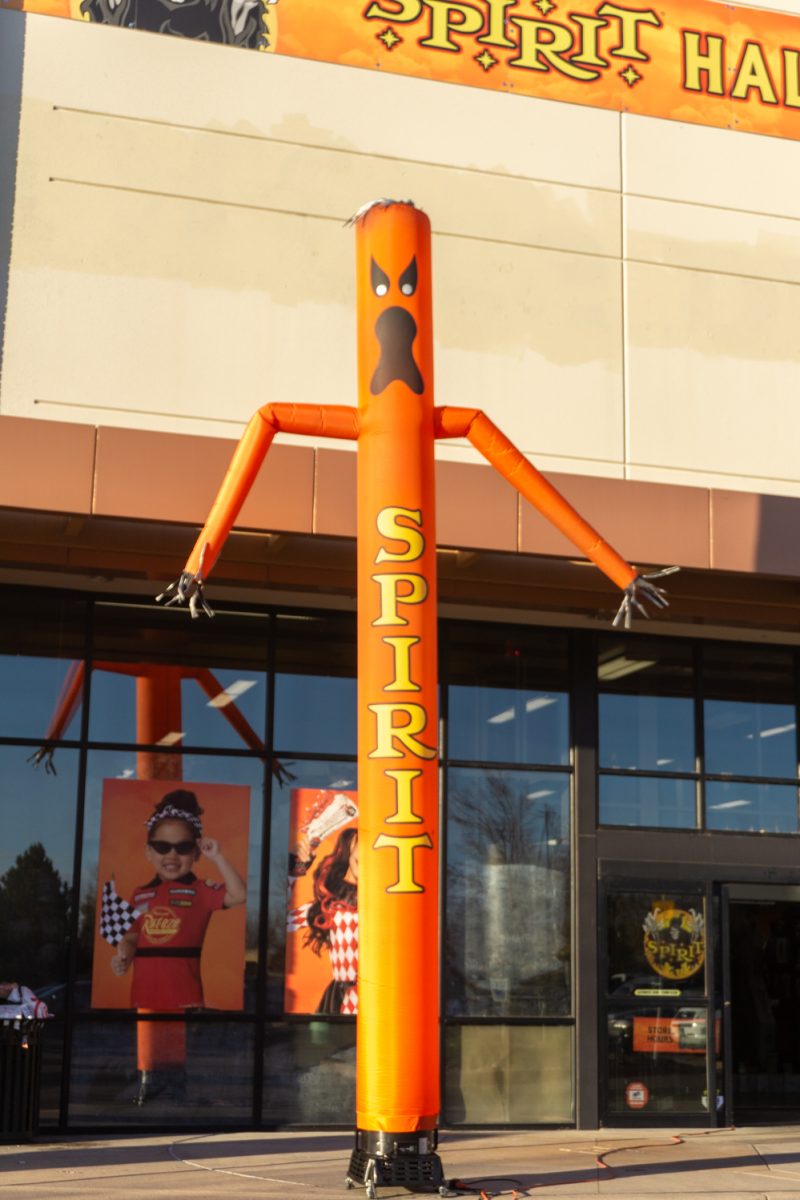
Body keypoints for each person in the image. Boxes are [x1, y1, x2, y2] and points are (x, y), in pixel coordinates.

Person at [110, 789, 246, 1104]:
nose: (172, 855)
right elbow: (131, 935)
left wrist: (218, 857)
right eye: (162, 846)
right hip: (145, 982)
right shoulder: (140, 894)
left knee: (179, 1037)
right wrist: (123, 956)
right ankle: (148, 1083)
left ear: (196, 852)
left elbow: (239, 895)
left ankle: (177, 1087)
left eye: (183, 847)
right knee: (149, 1035)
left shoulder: (200, 891)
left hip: (184, 983)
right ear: (148, 851)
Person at [289, 826, 358, 1014]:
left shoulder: (388, 903)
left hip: (379, 993)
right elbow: (281, 919)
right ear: (348, 850)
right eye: (360, 845)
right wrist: (296, 868)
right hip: (342, 997)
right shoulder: (330, 905)